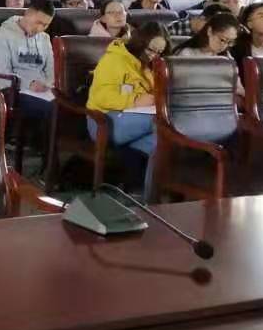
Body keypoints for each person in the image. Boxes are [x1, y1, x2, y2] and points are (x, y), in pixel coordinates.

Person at [87, 22, 170, 196]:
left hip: (136, 119)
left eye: (159, 52)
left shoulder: (149, 65)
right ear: (140, 42)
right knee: (164, 123)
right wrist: (135, 100)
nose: (154, 56)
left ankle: (141, 190)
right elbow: (101, 96)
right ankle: (142, 190)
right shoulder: (114, 59)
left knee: (162, 139)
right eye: (151, 50)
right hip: (103, 119)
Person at [0, 0, 55, 119]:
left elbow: (51, 68)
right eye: (38, 22)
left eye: (45, 25)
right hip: (14, 90)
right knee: (51, 108)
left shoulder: (44, 38)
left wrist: (49, 84)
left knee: (64, 105)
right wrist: (28, 84)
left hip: (43, 89)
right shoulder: (2, 35)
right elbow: (1, 73)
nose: (40, 29)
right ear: (28, 13)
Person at [175, 13, 240, 57]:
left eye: (230, 42)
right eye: (222, 40)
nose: (224, 46)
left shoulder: (226, 57)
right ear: (210, 31)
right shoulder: (186, 54)